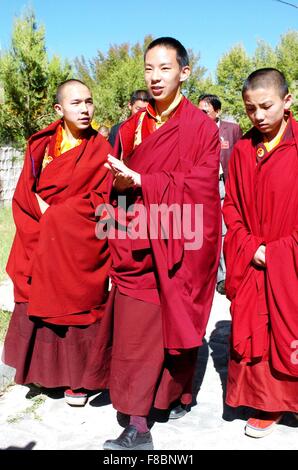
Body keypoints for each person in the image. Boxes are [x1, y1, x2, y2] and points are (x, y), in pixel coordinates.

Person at [97, 37, 221, 450]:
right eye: (149, 68)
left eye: (165, 68)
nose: (155, 77)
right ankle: (138, 424)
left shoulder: (201, 128)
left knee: (174, 324)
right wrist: (118, 193)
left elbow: (203, 186)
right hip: (135, 240)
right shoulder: (131, 127)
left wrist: (144, 181)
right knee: (136, 333)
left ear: (184, 72)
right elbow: (114, 180)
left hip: (178, 240)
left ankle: (171, 397)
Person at [2, 79, 111, 406]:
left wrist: (60, 216)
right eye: (76, 103)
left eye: (89, 102)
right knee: (39, 299)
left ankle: (78, 382)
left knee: (79, 306)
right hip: (39, 237)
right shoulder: (40, 146)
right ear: (59, 109)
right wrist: (43, 224)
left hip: (80, 242)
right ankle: (44, 375)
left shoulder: (101, 150)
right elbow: (24, 195)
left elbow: (104, 201)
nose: (85, 109)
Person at [223, 68, 298, 438]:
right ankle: (268, 403)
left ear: (287, 101)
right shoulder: (240, 150)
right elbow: (231, 207)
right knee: (257, 333)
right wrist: (252, 248)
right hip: (254, 258)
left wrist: (283, 251)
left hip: (292, 258)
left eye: (267, 106)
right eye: (251, 109)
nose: (259, 116)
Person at [198, 94, 242, 295]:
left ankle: (225, 277)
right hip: (203, 186)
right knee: (207, 231)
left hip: (224, 184)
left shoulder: (231, 130)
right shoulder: (194, 131)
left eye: (205, 111)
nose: (201, 114)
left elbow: (241, 155)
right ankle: (212, 276)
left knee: (226, 229)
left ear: (217, 112)